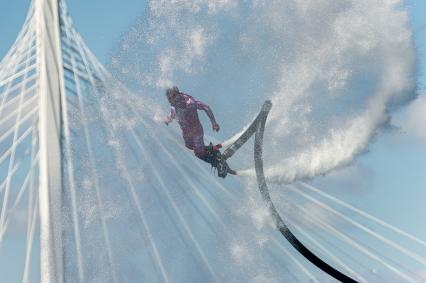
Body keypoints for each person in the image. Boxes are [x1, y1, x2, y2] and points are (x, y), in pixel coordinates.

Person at [164, 86, 235, 177]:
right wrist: (168, 119)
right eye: (169, 99)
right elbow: (172, 113)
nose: (171, 101)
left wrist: (214, 123)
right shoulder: (174, 106)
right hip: (186, 134)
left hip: (196, 131)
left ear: (178, 94)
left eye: (172, 97)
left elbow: (206, 107)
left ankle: (218, 163)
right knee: (190, 147)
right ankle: (213, 151)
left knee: (198, 153)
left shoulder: (190, 103)